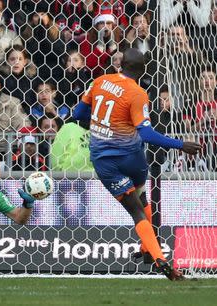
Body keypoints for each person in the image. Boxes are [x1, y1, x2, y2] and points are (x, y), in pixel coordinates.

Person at [72, 48, 202, 281]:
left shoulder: (100, 81)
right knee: (141, 200)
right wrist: (180, 144)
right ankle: (149, 250)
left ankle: (159, 258)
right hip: (133, 159)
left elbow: (79, 112)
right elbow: (147, 134)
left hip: (104, 161)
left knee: (135, 210)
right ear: (143, 71)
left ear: (120, 65)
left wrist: (101, 120)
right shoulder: (138, 93)